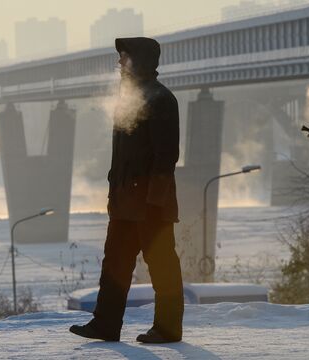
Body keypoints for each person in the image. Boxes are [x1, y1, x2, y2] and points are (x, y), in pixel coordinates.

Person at [69, 37, 184, 344]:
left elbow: (166, 157)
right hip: (125, 204)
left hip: (149, 205)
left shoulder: (161, 99)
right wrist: (114, 196)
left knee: (162, 268)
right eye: (119, 59)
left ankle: (168, 329)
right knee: (115, 264)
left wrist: (154, 201)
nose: (119, 64)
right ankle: (105, 325)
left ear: (142, 61)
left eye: (124, 58)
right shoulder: (130, 97)